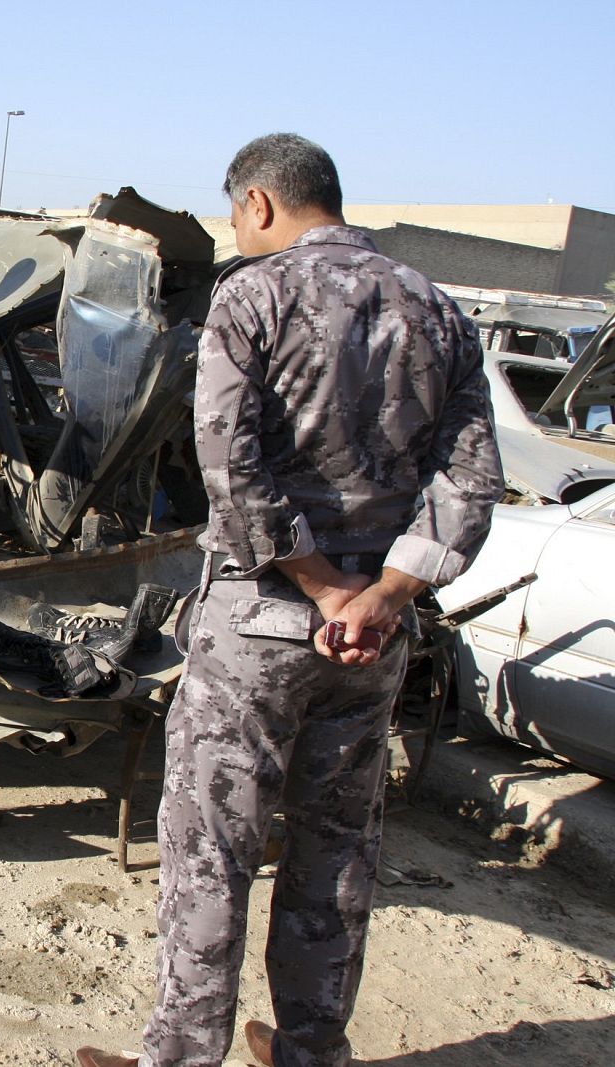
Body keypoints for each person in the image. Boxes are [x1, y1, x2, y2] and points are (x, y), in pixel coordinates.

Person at [77, 135, 503, 1067]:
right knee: (337, 845)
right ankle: (312, 1049)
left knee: (211, 848)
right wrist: (384, 592)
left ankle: (183, 1056)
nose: (237, 230)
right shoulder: (436, 309)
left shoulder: (252, 295)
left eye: (235, 214)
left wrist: (319, 585)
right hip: (371, 642)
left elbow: (229, 464)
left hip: (259, 627)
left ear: (261, 204)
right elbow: (470, 479)